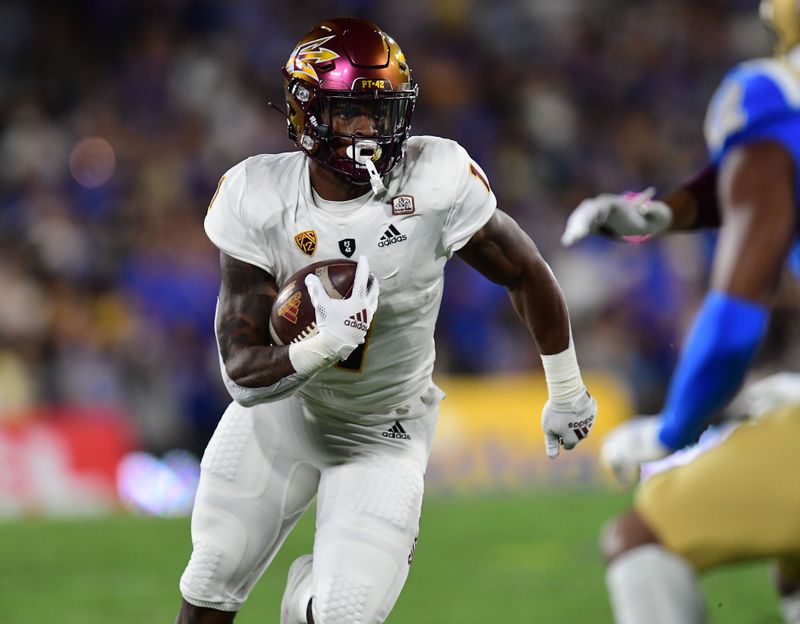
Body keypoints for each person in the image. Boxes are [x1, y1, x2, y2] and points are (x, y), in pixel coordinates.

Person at [177, 17, 596, 624]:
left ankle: (304, 602)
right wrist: (321, 345)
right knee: (210, 587)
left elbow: (525, 270)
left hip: (384, 432)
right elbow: (242, 375)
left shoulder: (435, 178)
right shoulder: (259, 194)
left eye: (383, 111)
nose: (370, 129)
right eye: (351, 111)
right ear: (306, 113)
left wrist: (565, 388)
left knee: (344, 615)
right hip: (280, 419)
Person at [561, 1, 800, 622]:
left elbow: (736, 320)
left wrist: (672, 430)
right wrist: (661, 214)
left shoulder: (769, 93)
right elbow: (754, 181)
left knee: (641, 538)